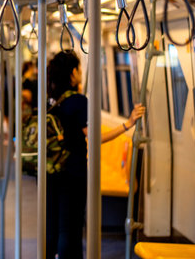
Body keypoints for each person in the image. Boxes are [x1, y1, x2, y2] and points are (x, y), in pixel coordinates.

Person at [46, 51, 145, 259]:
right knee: (71, 227)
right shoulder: (79, 102)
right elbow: (94, 137)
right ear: (73, 73)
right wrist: (127, 124)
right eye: (79, 69)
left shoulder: (51, 101)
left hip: (51, 170)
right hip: (73, 171)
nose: (81, 73)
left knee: (54, 223)